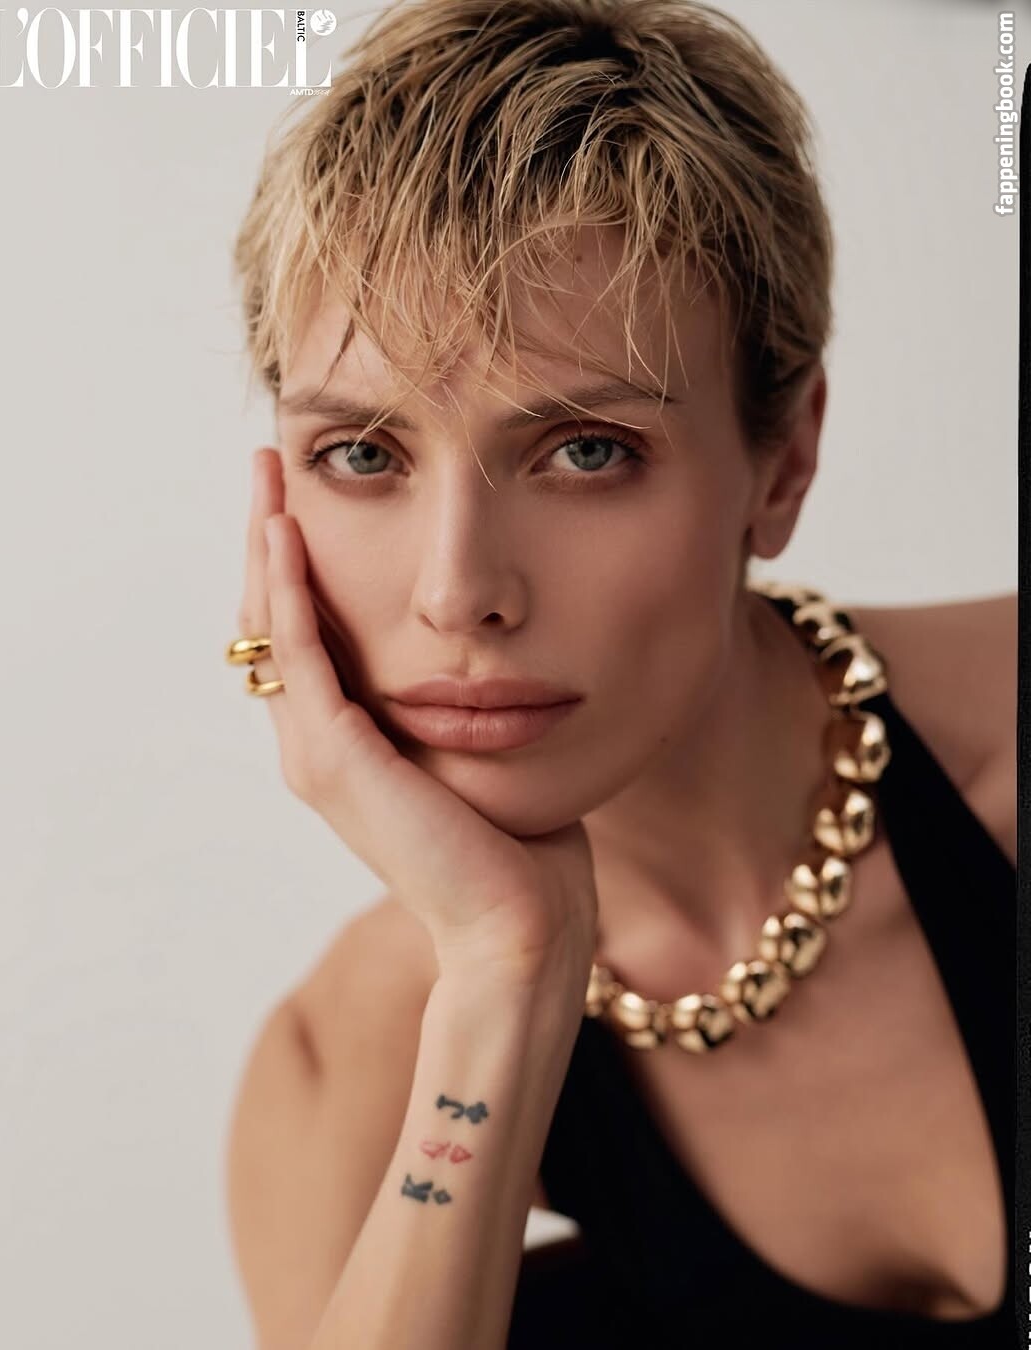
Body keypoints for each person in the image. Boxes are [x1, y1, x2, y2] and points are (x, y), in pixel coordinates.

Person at [222, 1, 1017, 1346]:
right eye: (363, 454)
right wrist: (505, 971)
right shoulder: (346, 1063)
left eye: (586, 450)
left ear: (783, 461)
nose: (458, 591)